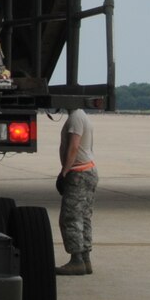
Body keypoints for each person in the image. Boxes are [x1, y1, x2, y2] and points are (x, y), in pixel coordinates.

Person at [56, 106, 98, 275]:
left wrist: (64, 172)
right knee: (84, 216)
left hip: (78, 173)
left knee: (70, 217)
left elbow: (73, 146)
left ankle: (76, 261)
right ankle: (85, 259)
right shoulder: (82, 116)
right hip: (89, 170)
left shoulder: (75, 118)